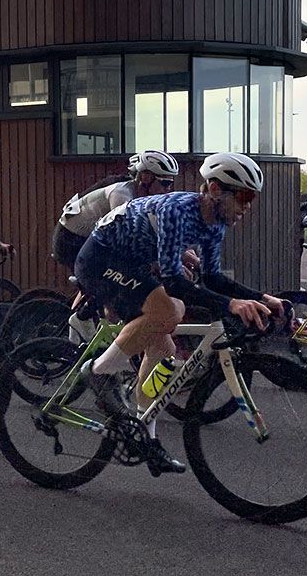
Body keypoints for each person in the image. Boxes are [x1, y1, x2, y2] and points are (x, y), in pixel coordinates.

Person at [73, 152, 286, 476]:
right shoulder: (179, 210)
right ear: (214, 189)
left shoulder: (215, 224)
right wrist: (230, 304)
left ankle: (147, 436)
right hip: (100, 259)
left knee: (164, 349)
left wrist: (260, 297)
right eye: (243, 197)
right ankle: (100, 372)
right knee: (169, 311)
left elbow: (212, 278)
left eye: (251, 199)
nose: (247, 206)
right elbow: (172, 279)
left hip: (131, 264)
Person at [50, 150, 180, 270]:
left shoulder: (144, 198)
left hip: (90, 238)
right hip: (70, 240)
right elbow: (129, 236)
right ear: (145, 178)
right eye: (165, 183)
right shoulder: (121, 195)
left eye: (170, 183)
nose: (168, 189)